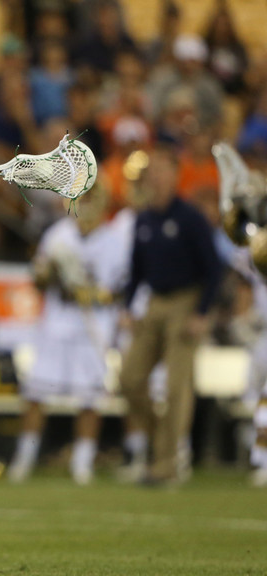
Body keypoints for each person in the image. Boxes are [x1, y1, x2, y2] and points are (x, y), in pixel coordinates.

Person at [6, 184, 130, 485]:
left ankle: (82, 464)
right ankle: (23, 460)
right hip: (57, 322)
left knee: (89, 398)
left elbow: (118, 290)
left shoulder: (114, 241)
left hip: (92, 325)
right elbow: (39, 277)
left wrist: (89, 291)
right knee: (36, 393)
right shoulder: (59, 235)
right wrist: (52, 274)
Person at [119, 147, 222, 485]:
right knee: (130, 379)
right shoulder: (143, 219)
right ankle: (165, 446)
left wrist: (202, 311)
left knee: (177, 387)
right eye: (153, 173)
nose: (157, 178)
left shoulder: (190, 218)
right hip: (154, 302)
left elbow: (213, 269)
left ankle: (165, 465)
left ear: (175, 177)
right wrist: (127, 306)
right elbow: (136, 271)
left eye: (163, 171)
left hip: (185, 301)